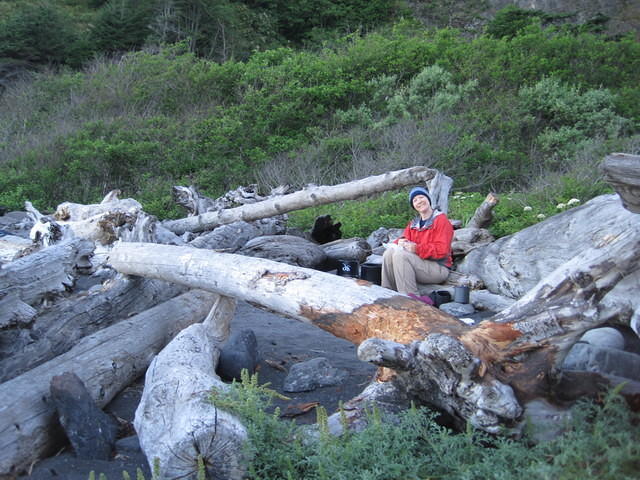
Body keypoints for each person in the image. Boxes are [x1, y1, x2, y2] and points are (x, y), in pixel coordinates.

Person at [382, 186, 453, 299]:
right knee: (389, 253)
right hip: (421, 263)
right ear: (414, 206)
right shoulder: (414, 224)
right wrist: (400, 242)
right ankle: (388, 295)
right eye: (415, 200)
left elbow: (442, 250)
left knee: (401, 256)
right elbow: (403, 238)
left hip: (438, 268)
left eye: (421, 197)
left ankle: (411, 301)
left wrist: (417, 249)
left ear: (428, 199)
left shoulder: (441, 220)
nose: (419, 201)